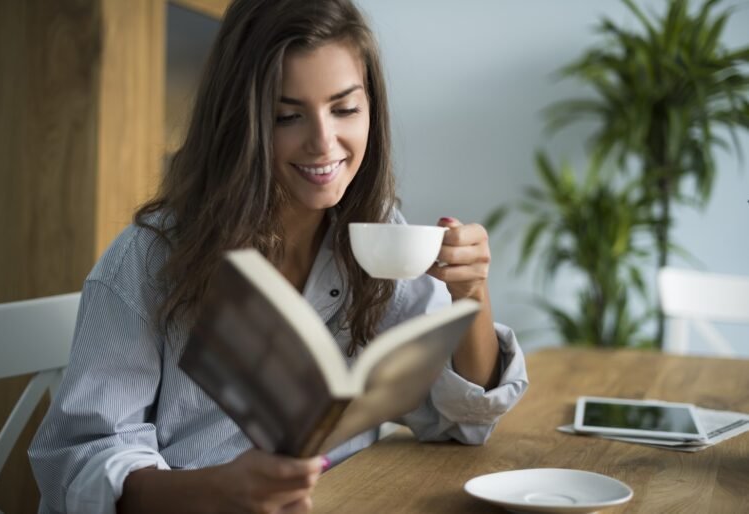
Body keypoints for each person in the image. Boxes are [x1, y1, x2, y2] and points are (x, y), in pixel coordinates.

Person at [29, 0, 528, 512]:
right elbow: (79, 462)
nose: (322, 142)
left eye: (345, 108)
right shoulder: (148, 259)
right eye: (287, 116)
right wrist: (217, 491)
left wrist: (471, 293)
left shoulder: (377, 236)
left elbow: (462, 419)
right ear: (238, 122)